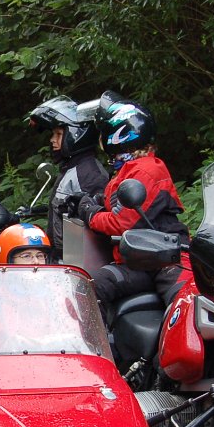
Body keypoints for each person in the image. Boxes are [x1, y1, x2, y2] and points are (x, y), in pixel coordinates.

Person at [76, 99, 188, 313]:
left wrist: (90, 214)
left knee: (185, 307)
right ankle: (102, 343)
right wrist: (94, 201)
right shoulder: (130, 168)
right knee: (91, 286)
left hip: (167, 261)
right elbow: (116, 204)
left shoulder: (145, 170)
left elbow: (123, 223)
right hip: (140, 261)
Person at [27, 96, 109, 261]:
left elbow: (94, 222)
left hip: (76, 260)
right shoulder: (72, 168)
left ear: (76, 136)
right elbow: (66, 208)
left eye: (58, 134)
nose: (52, 140)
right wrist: (35, 211)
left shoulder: (89, 174)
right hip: (61, 258)